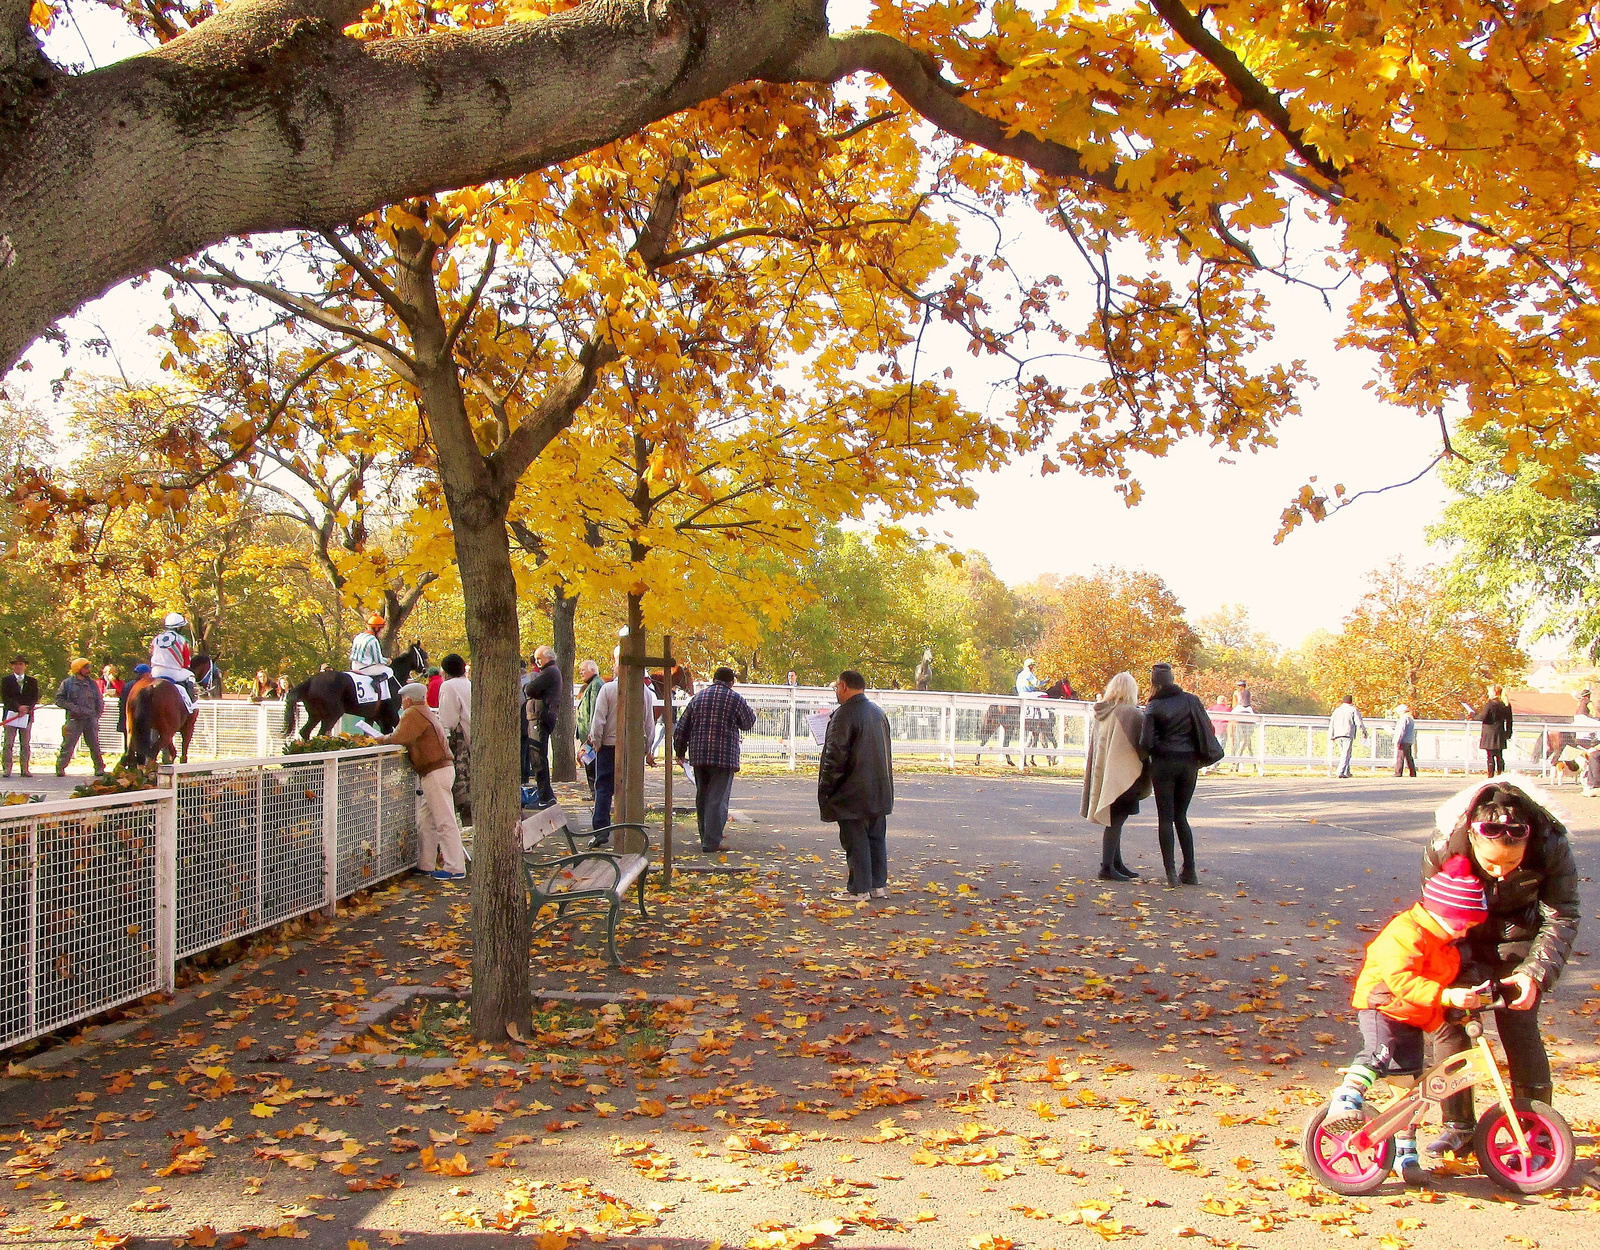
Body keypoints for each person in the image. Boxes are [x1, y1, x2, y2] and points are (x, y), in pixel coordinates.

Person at [1422, 777, 1580, 1157]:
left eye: (1512, 862)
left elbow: (1562, 914)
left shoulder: (1552, 845)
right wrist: (1465, 981)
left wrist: (1534, 974)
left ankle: (1536, 1127)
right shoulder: (1443, 846)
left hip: (1523, 939)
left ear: (1528, 844)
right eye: (1490, 861)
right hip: (1462, 936)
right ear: (1472, 840)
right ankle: (1457, 1125)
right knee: (1451, 1024)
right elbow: (1437, 917)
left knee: (1520, 1025)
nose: (1501, 872)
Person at [1324, 854, 1490, 1184]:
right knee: (1378, 1053)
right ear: (1442, 913)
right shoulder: (1405, 933)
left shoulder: (1446, 945)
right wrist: (1446, 997)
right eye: (1464, 923)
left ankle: (1404, 1152)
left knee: (1410, 1092)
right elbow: (1403, 980)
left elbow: (1431, 992)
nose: (1467, 929)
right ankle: (1347, 1098)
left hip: (1412, 1016)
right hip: (1382, 1007)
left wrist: (1442, 1020)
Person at [817, 669, 894, 903]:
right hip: (879, 788)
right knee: (875, 837)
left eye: (836, 688)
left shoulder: (844, 715)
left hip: (851, 789)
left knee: (855, 839)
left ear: (843, 686)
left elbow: (835, 756)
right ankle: (877, 885)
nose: (836, 693)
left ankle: (858, 888)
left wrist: (826, 788)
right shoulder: (878, 713)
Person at [377, 682, 467, 881]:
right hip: (439, 770)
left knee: (444, 821)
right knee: (426, 821)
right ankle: (425, 864)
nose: (402, 703)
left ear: (408, 699)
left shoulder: (413, 713)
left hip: (434, 771)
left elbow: (399, 736)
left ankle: (455, 867)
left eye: (403, 699)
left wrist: (380, 739)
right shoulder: (426, 712)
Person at [1138, 663, 1209, 889]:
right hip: (1189, 763)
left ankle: (1170, 873)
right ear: (1173, 678)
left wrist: (1159, 747)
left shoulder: (1154, 705)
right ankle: (1190, 870)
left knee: (1165, 818)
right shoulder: (1191, 700)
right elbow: (1206, 728)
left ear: (1154, 682)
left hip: (1164, 764)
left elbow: (1146, 742)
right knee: (1181, 816)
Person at [673, 666, 756, 853]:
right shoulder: (735, 698)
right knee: (717, 799)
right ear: (731, 682)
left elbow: (681, 727)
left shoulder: (697, 698)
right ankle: (712, 842)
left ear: (714, 679)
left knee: (702, 796)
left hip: (699, 755)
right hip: (724, 757)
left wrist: (680, 751)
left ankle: (705, 837)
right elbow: (748, 722)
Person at [1080, 671, 1149, 881]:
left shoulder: (1103, 712)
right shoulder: (1131, 714)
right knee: (1116, 819)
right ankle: (1107, 866)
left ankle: (1116, 863)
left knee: (1115, 817)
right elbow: (1144, 744)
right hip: (1123, 773)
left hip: (1106, 773)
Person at [587, 653, 656, 848]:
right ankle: (629, 828)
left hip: (609, 746)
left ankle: (601, 830)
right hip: (633, 748)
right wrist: (647, 748)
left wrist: (597, 742)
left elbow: (598, 719)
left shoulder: (608, 689)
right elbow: (649, 723)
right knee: (630, 788)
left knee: (603, 788)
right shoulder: (645, 692)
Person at [521, 645, 562, 806]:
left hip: (540, 718)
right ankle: (546, 794)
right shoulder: (549, 672)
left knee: (538, 758)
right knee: (536, 757)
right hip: (537, 717)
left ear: (548, 657)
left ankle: (545, 797)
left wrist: (529, 690)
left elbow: (530, 688)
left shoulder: (550, 672)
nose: (537, 662)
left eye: (539, 658)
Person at [435, 653, 472, 823]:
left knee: (462, 785)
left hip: (462, 741)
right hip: (475, 737)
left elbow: (447, 720)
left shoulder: (448, 686)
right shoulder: (469, 684)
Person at [54, 657, 107, 776]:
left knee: (94, 745)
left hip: (90, 719)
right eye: (85, 667)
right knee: (68, 745)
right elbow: (59, 700)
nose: (88, 669)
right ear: (78, 668)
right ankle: (60, 767)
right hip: (74, 719)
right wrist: (73, 707)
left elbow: (99, 700)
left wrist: (96, 715)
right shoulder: (67, 683)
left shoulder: (92, 684)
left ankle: (99, 768)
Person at [150, 611, 199, 705]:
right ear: (179, 627)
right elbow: (186, 663)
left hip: (155, 671)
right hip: (173, 673)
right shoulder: (182, 640)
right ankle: (190, 701)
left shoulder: (156, 638)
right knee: (191, 675)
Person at [2, 655, 38, 778]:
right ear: (13, 666)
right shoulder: (6, 681)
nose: (18, 666)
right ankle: (7, 768)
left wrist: (26, 708)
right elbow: (6, 697)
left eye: (21, 664)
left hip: (26, 716)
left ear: (25, 666)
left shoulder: (32, 681)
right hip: (11, 715)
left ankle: (25, 768)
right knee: (8, 743)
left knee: (25, 744)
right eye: (16, 664)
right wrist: (18, 707)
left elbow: (34, 697)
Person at [349, 612, 394, 701]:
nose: (381, 631)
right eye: (380, 629)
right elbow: (378, 660)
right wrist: (388, 661)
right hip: (365, 668)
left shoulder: (358, 636)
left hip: (354, 665)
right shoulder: (373, 640)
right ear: (376, 628)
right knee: (389, 670)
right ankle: (376, 681)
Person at [574, 659, 603, 796]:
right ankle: (593, 793)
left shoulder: (596, 685)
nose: (580, 672)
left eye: (583, 669)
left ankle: (595, 793)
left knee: (592, 765)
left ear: (592, 670)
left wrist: (592, 734)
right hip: (588, 736)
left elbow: (594, 711)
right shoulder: (592, 685)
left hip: (591, 737)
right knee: (589, 764)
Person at [1478, 683, 1513, 777]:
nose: (1488, 693)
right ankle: (1501, 775)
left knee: (1490, 757)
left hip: (1489, 733)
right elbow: (1509, 721)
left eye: (1489, 691)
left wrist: (1472, 715)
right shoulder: (1505, 704)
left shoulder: (1490, 704)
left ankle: (1490, 776)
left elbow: (1483, 717)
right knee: (1499, 756)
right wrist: (1508, 733)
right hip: (1500, 733)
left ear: (1494, 692)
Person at [1328, 695, 1367, 778]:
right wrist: (1364, 731)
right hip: (1347, 733)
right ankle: (1340, 772)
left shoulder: (1337, 710)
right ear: (1351, 701)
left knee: (1343, 753)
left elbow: (1332, 723)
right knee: (1346, 753)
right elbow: (1358, 722)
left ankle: (1347, 771)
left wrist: (1331, 734)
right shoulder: (1353, 710)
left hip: (1337, 733)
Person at [1227, 679, 1254, 767]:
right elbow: (1248, 703)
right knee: (1253, 718)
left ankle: (1230, 732)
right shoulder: (1248, 692)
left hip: (1239, 708)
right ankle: (1252, 729)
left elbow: (1234, 705)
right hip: (1248, 709)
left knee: (1230, 719)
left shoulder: (1236, 692)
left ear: (1238, 686)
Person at [1393, 703, 1418, 777]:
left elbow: (1401, 730)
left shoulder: (1403, 718)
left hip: (1403, 740)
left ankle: (1398, 772)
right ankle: (1413, 772)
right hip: (1409, 740)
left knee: (1400, 757)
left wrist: (1397, 740)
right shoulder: (1410, 718)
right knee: (1409, 757)